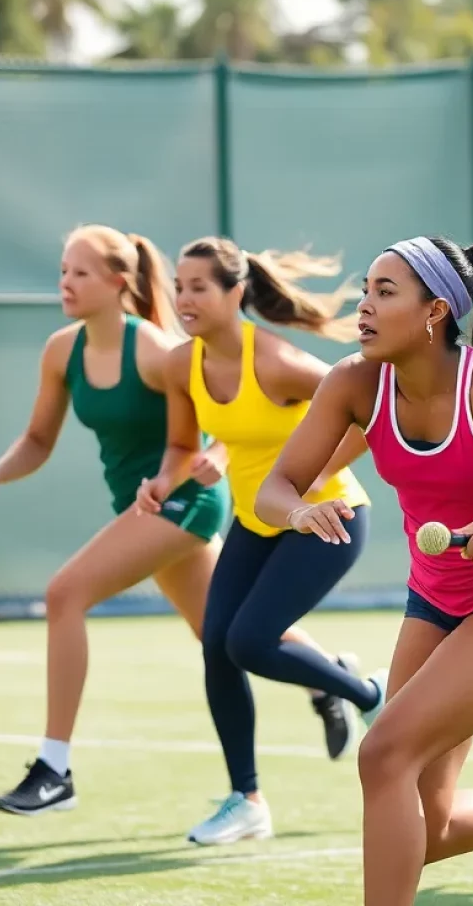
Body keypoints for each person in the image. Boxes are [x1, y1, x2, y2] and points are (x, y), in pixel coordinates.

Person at [256, 236, 473, 906]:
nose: (364, 307)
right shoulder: (353, 383)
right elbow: (277, 487)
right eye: (366, 291)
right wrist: (299, 513)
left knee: (382, 755)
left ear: (435, 310)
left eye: (385, 292)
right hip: (437, 601)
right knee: (428, 829)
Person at [0, 224, 230, 817]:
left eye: (79, 273)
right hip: (139, 506)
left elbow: (217, 423)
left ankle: (54, 769)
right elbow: (37, 438)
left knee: (65, 593)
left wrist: (213, 459)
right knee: (223, 637)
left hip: (184, 498)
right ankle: (345, 685)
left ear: (117, 283)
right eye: (62, 271)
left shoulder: (157, 349)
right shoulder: (62, 350)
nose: (66, 282)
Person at [136, 237, 381, 846]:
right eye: (179, 286)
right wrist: (163, 481)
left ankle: (364, 693)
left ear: (234, 293)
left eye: (198, 287)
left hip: (328, 518)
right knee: (216, 645)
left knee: (248, 641)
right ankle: (246, 801)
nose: (183, 298)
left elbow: (369, 411)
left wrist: (317, 476)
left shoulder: (276, 361)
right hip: (256, 520)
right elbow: (180, 444)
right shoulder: (179, 364)